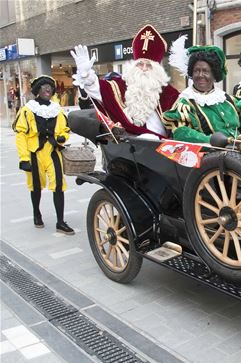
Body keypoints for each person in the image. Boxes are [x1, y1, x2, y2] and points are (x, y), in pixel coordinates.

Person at [70, 24, 179, 139]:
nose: (144, 69)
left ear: (157, 69)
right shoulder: (120, 85)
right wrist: (87, 76)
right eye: (140, 64)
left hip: (161, 149)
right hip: (127, 150)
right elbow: (100, 89)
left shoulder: (170, 94)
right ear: (133, 66)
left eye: (149, 65)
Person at [12, 75, 74, 234]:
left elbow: (65, 129)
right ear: (37, 90)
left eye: (50, 87)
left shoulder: (57, 110)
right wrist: (24, 158)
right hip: (34, 153)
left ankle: (60, 222)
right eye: (44, 86)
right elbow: (20, 135)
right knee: (36, 186)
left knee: (59, 186)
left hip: (53, 153)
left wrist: (62, 138)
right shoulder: (27, 110)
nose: (48, 89)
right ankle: (36, 214)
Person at [162, 40, 241, 143]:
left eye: (205, 71)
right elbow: (181, 133)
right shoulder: (186, 102)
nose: (200, 75)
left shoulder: (227, 100)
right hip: (212, 154)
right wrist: (209, 140)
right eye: (196, 71)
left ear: (214, 74)